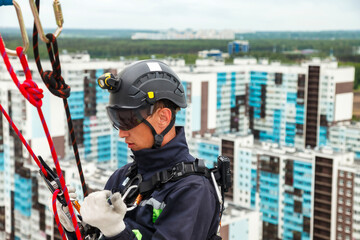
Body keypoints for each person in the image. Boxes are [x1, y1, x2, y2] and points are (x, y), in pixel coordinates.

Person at [55, 60, 221, 240]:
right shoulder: (123, 177)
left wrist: (116, 232)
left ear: (163, 118)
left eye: (127, 120)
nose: (122, 133)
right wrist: (74, 229)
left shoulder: (193, 191)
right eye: (116, 120)